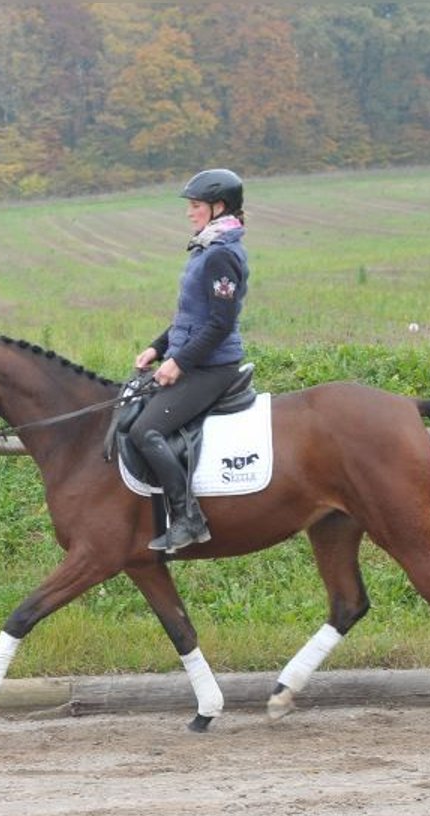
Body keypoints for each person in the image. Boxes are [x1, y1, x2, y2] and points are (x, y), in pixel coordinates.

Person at [130, 167, 250, 553]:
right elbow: (190, 317)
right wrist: (158, 347)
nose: (189, 212)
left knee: (145, 431)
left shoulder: (221, 255)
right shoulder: (206, 248)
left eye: (196, 205)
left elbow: (219, 323)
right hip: (194, 359)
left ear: (219, 207)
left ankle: (188, 519)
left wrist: (178, 362)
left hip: (213, 367)